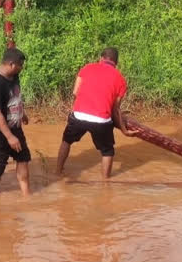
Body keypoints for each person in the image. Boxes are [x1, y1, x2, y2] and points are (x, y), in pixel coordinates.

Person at [55, 47, 136, 179]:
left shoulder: (87, 68)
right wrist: (124, 130)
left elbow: (75, 92)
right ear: (116, 63)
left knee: (66, 141)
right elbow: (115, 109)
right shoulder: (120, 79)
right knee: (107, 151)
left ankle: (58, 172)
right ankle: (106, 183)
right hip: (101, 120)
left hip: (79, 116)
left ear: (101, 58)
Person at [0, 48, 31, 196]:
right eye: (20, 65)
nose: (21, 68)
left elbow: (14, 97)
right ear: (12, 64)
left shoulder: (14, 76)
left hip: (15, 128)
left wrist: (22, 113)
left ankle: (27, 196)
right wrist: (9, 137)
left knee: (23, 158)